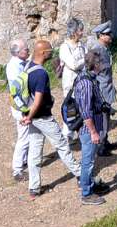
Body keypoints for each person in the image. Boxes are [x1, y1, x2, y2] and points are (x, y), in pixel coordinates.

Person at [22, 39, 81, 198]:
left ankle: (34, 188)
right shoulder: (41, 73)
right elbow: (38, 99)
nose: (52, 52)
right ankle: (80, 175)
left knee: (35, 150)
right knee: (62, 144)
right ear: (42, 53)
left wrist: (27, 115)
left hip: (33, 117)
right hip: (42, 117)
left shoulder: (27, 68)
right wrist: (30, 116)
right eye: (49, 50)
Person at [70, 52, 111, 205]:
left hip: (90, 127)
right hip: (89, 129)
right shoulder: (86, 83)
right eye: (101, 63)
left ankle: (90, 185)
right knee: (88, 161)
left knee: (89, 159)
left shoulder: (84, 76)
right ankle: (86, 193)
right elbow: (86, 112)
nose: (103, 66)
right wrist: (93, 132)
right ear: (96, 64)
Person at [83, 21, 117, 154]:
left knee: (106, 117)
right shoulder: (97, 50)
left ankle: (105, 141)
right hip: (101, 88)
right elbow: (93, 70)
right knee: (102, 117)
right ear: (100, 36)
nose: (110, 36)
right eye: (107, 34)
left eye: (110, 33)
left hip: (107, 86)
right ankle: (101, 147)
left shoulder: (104, 48)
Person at [5, 38, 31, 182]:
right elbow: (16, 92)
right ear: (17, 52)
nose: (28, 51)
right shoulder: (13, 67)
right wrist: (24, 110)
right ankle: (17, 170)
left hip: (24, 105)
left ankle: (24, 160)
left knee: (26, 135)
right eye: (26, 49)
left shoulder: (22, 63)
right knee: (24, 137)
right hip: (20, 107)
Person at [59, 18, 89, 142]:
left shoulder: (81, 45)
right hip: (70, 83)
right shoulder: (65, 47)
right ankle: (67, 135)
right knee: (71, 107)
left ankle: (82, 130)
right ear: (74, 31)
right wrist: (85, 60)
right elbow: (73, 64)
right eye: (80, 30)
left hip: (82, 80)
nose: (82, 33)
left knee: (83, 106)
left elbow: (88, 59)